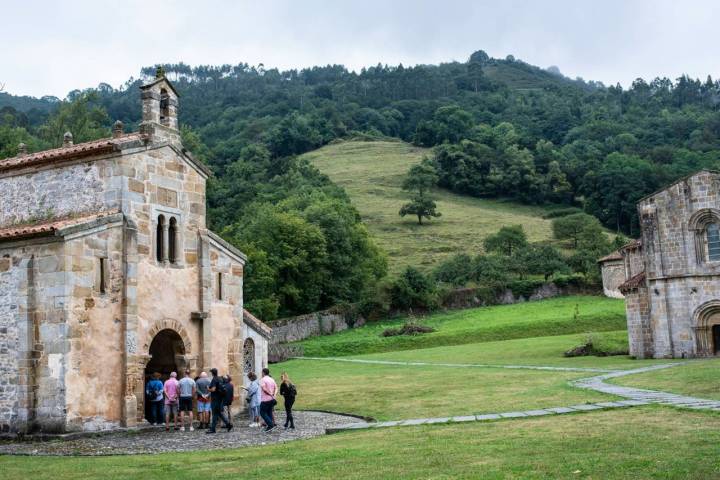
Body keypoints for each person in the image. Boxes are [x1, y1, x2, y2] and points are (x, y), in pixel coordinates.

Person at [206, 368, 233, 433]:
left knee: (215, 413)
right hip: (220, 399)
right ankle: (228, 424)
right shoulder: (220, 378)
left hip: (215, 399)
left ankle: (213, 429)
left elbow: (213, 389)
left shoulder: (214, 379)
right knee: (219, 413)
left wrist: (208, 389)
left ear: (212, 373)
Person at [259, 367, 278, 432]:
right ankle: (270, 425)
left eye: (262, 372)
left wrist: (270, 393)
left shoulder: (263, 380)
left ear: (263, 373)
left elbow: (264, 389)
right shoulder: (272, 379)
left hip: (265, 400)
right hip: (272, 399)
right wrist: (274, 395)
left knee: (262, 412)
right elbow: (276, 388)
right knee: (269, 412)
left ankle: (270, 425)